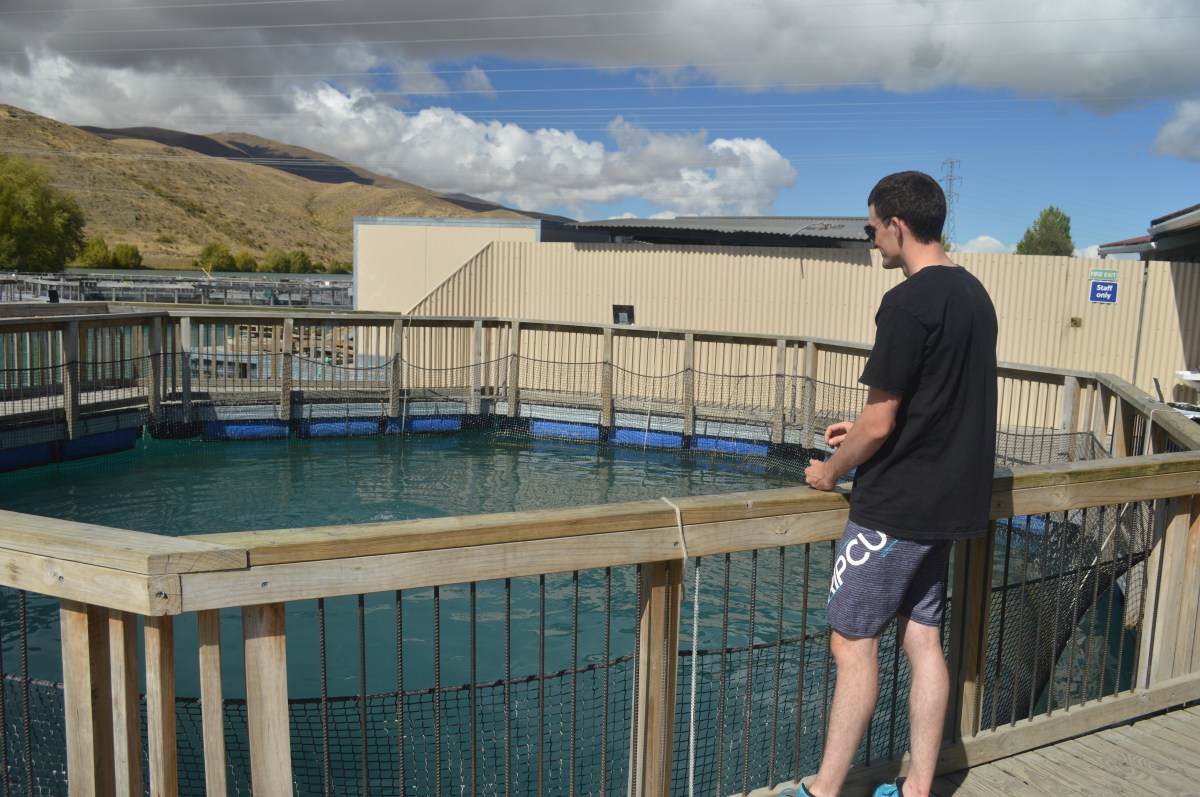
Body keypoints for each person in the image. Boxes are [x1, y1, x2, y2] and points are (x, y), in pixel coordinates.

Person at [794, 171, 998, 797]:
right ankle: (917, 790)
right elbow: (933, 403)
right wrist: (856, 429)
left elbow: (881, 423)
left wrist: (831, 469)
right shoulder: (974, 295)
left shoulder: (906, 303)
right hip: (950, 504)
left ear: (897, 224)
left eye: (872, 228)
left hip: (894, 509)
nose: (872, 239)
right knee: (923, 640)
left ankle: (824, 791)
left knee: (851, 644)